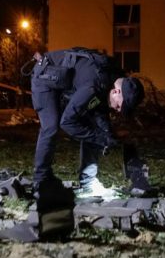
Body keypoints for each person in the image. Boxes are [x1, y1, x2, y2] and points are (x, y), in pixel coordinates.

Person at [30, 47, 145, 199]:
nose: (118, 110)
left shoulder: (112, 78)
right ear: (116, 92)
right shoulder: (94, 85)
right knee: (51, 126)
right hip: (45, 76)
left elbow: (100, 112)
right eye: (119, 106)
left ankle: (88, 182)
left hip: (65, 81)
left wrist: (108, 135)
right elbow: (67, 122)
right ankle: (40, 181)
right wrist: (101, 138)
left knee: (96, 130)